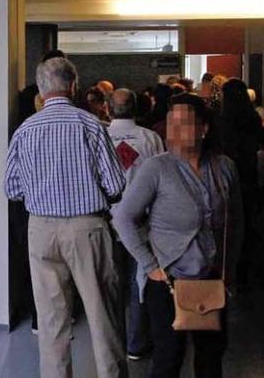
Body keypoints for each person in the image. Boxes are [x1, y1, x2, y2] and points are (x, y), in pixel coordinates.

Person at [4, 57, 128, 378]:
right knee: (103, 316)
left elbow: (12, 188)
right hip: (87, 226)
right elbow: (115, 184)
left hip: (41, 229)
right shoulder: (90, 125)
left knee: (50, 321)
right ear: (73, 86)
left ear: (42, 90)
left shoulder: (25, 130)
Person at [111, 93, 244, 378]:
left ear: (203, 128)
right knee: (168, 359)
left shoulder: (224, 167)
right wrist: (150, 267)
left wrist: (229, 268)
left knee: (210, 358)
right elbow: (122, 217)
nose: (174, 131)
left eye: (183, 124)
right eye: (171, 124)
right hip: (169, 281)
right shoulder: (157, 168)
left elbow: (236, 222)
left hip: (210, 279)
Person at [106, 88, 165, 361]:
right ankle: (137, 343)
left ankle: (111, 342)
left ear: (108, 108)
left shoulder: (100, 136)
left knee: (109, 285)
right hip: (143, 222)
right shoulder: (151, 138)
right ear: (138, 108)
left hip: (106, 221)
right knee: (140, 282)